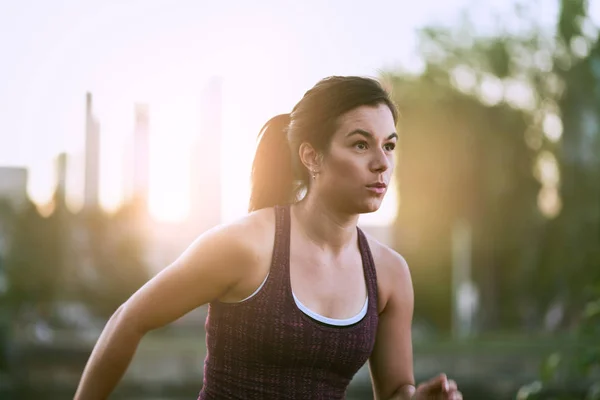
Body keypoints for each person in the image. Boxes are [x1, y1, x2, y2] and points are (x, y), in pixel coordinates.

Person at [74, 76, 463, 400]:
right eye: (361, 144)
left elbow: (396, 390)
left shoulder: (390, 274)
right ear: (312, 157)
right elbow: (130, 319)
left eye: (389, 145)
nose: (382, 162)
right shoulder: (246, 246)